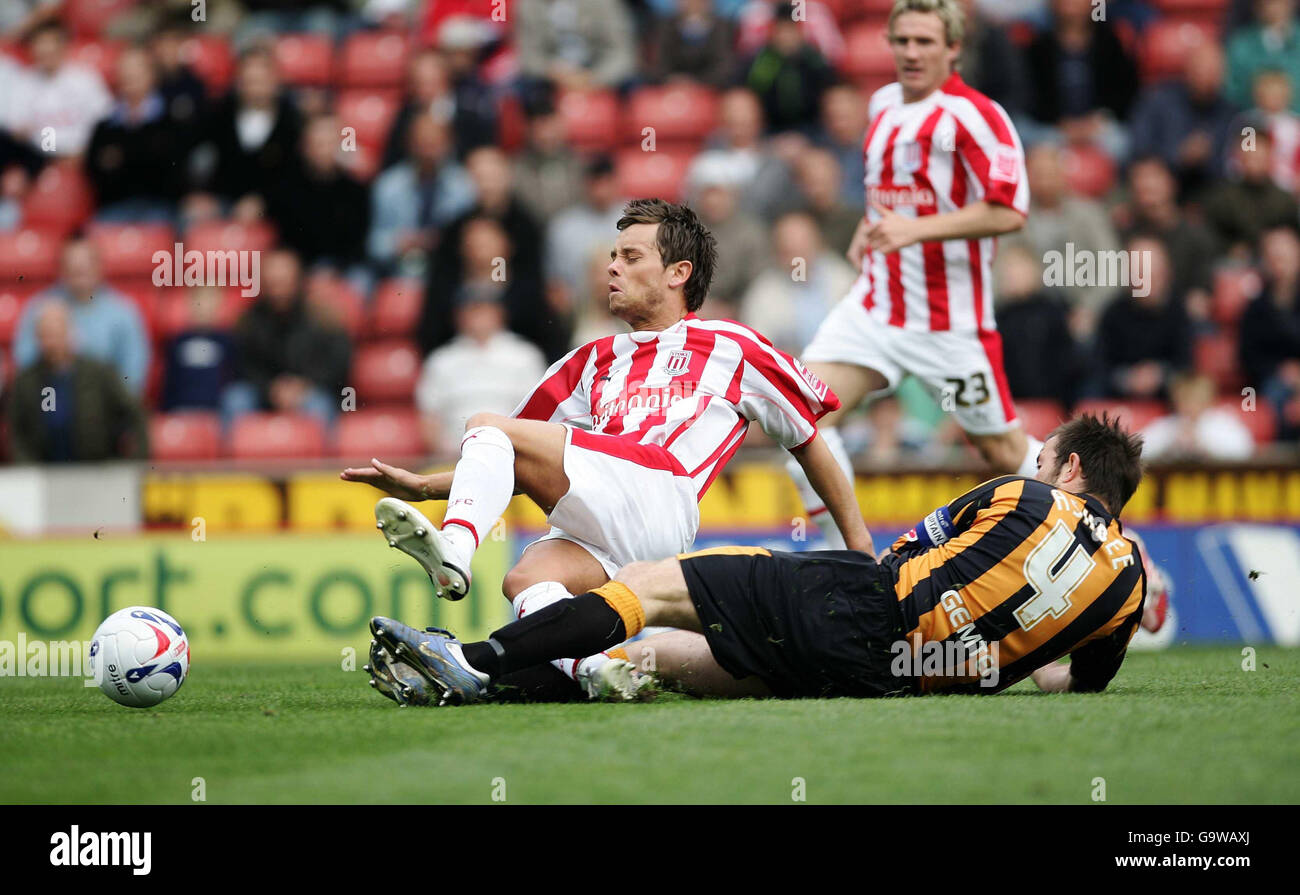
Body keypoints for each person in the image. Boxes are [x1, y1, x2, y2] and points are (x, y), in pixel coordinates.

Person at [342, 198, 870, 699]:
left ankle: (455, 550)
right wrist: (425, 487)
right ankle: (595, 668)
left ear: (677, 273)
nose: (612, 268)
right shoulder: (589, 361)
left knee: (486, 420)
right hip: (618, 521)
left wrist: (860, 549)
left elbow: (807, 441)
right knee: (527, 578)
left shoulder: (732, 345)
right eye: (613, 256)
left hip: (664, 490)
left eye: (631, 257)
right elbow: (500, 458)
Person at [364, 413, 1149, 705]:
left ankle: (470, 659)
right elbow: (1075, 681)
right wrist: (996, 658)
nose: (1036, 463)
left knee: (650, 587)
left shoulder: (1024, 496)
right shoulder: (1128, 583)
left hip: (865, 606)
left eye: (1045, 456)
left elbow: (913, 552)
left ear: (1072, 469)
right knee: (664, 657)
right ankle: (494, 689)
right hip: (893, 682)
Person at [785, 0, 1036, 551]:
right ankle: (850, 564)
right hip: (874, 305)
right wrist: (870, 226)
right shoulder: (882, 103)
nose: (911, 53)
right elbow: (889, 193)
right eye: (902, 41)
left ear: (952, 47)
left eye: (925, 42)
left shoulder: (978, 116)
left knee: (1004, 454)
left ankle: (1117, 547)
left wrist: (915, 231)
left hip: (947, 320)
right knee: (798, 414)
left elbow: (1010, 210)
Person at [8, 302, 148, 463]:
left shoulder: (99, 373)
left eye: (56, 334)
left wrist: (133, 464)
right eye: (45, 335)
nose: (51, 342)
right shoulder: (26, 381)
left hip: (96, 470)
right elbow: (16, 432)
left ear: (70, 333)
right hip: (44, 472)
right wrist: (26, 468)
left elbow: (135, 413)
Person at [415, 286, 548, 454]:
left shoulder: (525, 356)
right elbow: (430, 421)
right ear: (458, 316)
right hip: (455, 457)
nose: (479, 318)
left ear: (500, 313)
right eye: (472, 310)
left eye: (485, 309)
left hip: (513, 454)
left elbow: (539, 416)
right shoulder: (441, 360)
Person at [13, 238, 151, 395]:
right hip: (51, 404)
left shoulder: (123, 312)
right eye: (72, 266)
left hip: (106, 407)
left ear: (100, 266)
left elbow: (133, 373)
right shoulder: (40, 308)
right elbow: (26, 365)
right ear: (61, 269)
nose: (79, 271)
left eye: (85, 265)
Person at [1140, 372, 1254, 461]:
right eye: (1185, 398)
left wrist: (1202, 443)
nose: (1190, 404)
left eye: (1196, 398)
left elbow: (1244, 450)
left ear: (1209, 399)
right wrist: (1170, 442)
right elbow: (1136, 451)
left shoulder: (1223, 422)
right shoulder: (1169, 424)